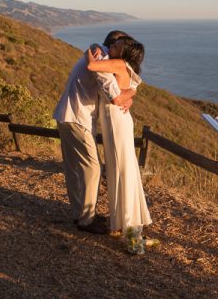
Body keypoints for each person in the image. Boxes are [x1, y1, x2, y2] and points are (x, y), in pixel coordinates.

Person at [53, 30, 136, 234]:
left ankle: (80, 214)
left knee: (74, 168)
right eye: (122, 46)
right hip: (77, 117)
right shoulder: (102, 58)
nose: (123, 52)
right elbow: (114, 97)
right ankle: (86, 220)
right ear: (114, 45)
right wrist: (131, 94)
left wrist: (129, 97)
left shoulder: (96, 52)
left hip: (66, 114)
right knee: (92, 167)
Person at [86, 36, 152, 251]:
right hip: (117, 120)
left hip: (115, 121)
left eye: (116, 47)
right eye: (113, 45)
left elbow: (91, 65)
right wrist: (130, 95)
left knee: (121, 170)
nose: (111, 47)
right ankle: (127, 223)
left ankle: (128, 226)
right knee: (123, 169)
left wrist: (93, 48)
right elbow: (131, 89)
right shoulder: (127, 67)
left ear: (124, 54)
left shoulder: (119, 63)